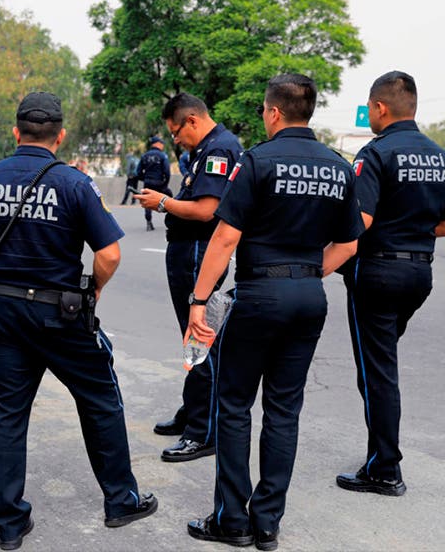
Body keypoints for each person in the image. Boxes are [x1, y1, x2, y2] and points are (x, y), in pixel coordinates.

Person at [0, 92, 157, 551]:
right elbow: (110, 253)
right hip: (61, 313)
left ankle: (7, 522)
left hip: (2, 312)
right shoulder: (75, 184)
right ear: (60, 136)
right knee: (100, 399)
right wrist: (95, 288)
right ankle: (121, 500)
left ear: (16, 131)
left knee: (7, 413)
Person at [184, 74, 363, 550]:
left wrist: (199, 302)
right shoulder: (338, 166)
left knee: (234, 404)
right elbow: (348, 242)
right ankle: (267, 524)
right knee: (284, 409)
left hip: (259, 295)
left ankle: (231, 521)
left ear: (275, 113)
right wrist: (306, 275)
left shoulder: (257, 161)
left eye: (264, 111)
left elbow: (224, 238)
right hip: (309, 296)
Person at [336, 71, 445, 497]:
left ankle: (385, 468)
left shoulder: (375, 153)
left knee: (378, 373)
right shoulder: (438, 155)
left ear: (380, 108)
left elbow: (359, 222)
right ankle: (378, 455)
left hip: (377, 272)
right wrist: (411, 231)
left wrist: (322, 257)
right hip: (420, 273)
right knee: (379, 365)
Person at [134, 93, 242, 463]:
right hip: (189, 249)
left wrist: (162, 202)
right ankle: (193, 409)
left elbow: (206, 210)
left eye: (177, 131)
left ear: (193, 119)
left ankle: (204, 431)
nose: (175, 139)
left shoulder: (219, 150)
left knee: (200, 336)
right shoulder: (207, 148)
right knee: (192, 334)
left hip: (199, 251)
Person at [137, 136, 172, 230]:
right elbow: (167, 172)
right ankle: (173, 220)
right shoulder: (162, 155)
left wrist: (145, 179)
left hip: (148, 183)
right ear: (157, 144)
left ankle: (149, 223)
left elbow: (138, 172)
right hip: (159, 183)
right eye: (162, 144)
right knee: (170, 198)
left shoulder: (145, 156)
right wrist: (165, 184)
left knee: (147, 202)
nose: (163, 146)